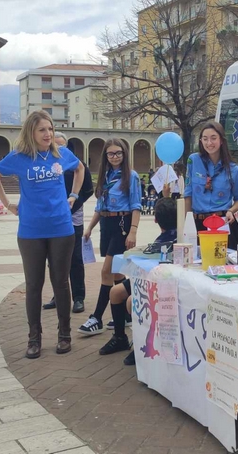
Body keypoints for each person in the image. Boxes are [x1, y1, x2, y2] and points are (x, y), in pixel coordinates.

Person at [0, 111, 84, 356]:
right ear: (31, 132)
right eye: (42, 129)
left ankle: (64, 335)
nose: (48, 134)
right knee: (33, 284)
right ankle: (34, 339)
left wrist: (73, 195)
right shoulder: (19, 157)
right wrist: (8, 204)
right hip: (31, 230)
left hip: (61, 227)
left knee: (61, 282)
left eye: (50, 129)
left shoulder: (61, 154)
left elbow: (80, 168)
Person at [100, 197, 178, 361]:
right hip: (147, 277)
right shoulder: (161, 240)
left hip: (161, 282)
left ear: (155, 219)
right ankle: (120, 338)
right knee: (115, 292)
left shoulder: (177, 239)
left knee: (131, 301)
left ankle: (141, 344)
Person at [79, 139, 142, 337]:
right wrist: (90, 227)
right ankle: (125, 314)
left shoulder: (131, 176)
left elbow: (136, 206)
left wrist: (133, 231)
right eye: (111, 153)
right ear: (105, 156)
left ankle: (97, 318)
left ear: (124, 154)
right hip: (106, 225)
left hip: (121, 225)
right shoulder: (105, 175)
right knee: (116, 273)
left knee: (106, 270)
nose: (115, 157)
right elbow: (99, 207)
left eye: (118, 153)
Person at [43, 132, 93, 314]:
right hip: (52, 218)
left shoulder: (77, 165)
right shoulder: (45, 166)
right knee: (54, 259)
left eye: (61, 145)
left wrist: (71, 205)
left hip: (73, 218)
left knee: (75, 258)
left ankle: (78, 297)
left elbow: (88, 190)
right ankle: (59, 295)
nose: (57, 148)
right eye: (54, 145)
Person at [184, 121, 238, 249]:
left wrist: (231, 211)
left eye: (213, 138)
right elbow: (188, 194)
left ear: (221, 140)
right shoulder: (193, 160)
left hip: (223, 223)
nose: (209, 143)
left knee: (224, 259)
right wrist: (187, 223)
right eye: (205, 139)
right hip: (198, 223)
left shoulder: (233, 169)